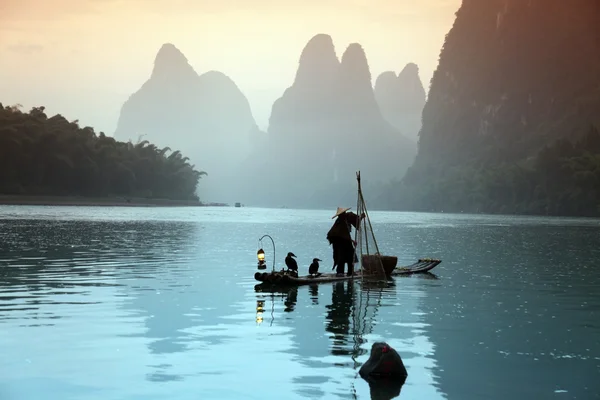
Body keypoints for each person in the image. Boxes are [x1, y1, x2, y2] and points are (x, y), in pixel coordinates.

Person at [326, 207, 365, 277]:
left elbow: (345, 233)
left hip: (344, 241)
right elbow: (339, 234)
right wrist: (360, 217)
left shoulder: (346, 218)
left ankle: (350, 272)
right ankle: (340, 272)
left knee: (350, 256)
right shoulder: (340, 222)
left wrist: (352, 241)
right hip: (339, 242)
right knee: (341, 256)